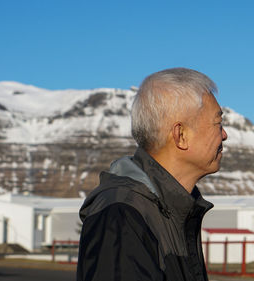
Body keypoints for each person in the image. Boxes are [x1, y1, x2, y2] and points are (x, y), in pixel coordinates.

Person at [76, 67, 228, 281]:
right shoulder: (122, 216)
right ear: (180, 135)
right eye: (217, 123)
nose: (224, 134)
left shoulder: (173, 209)